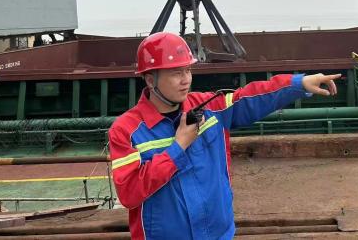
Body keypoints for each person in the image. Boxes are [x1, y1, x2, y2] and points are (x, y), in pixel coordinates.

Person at [109, 32, 339, 240]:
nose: (186, 79)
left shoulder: (210, 108)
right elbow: (129, 193)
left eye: (188, 70)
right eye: (176, 73)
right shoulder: (126, 131)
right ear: (151, 80)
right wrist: (178, 147)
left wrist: (299, 84)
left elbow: (248, 98)